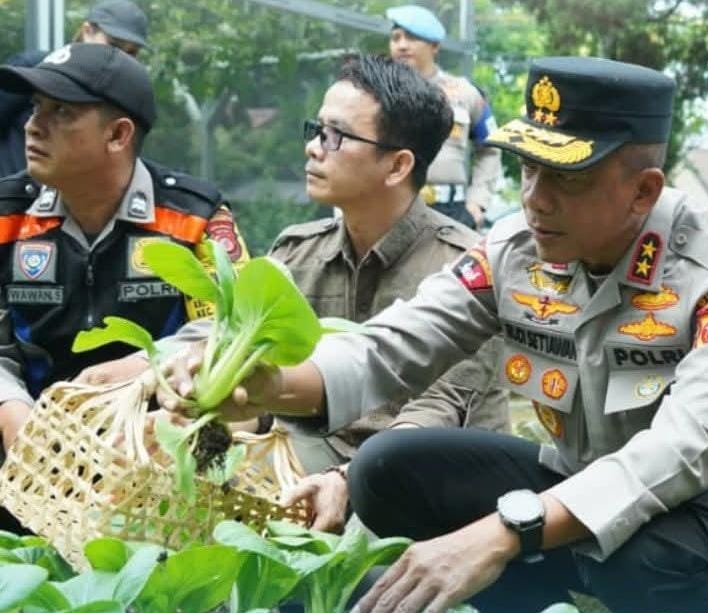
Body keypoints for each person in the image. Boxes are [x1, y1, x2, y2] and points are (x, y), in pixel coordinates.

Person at [165, 56, 708, 613]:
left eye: (568, 180)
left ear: (644, 191)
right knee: (387, 470)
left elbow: (686, 448)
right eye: (528, 169)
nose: (535, 199)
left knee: (639, 549)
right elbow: (389, 347)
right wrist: (266, 386)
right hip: (571, 480)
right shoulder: (514, 249)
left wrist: (498, 534)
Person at [0, 44, 249, 484]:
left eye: (61, 111)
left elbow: (233, 327)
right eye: (37, 107)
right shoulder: (7, 214)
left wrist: (148, 364)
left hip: (160, 445)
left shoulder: (195, 217)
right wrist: (14, 416)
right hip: (29, 443)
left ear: (118, 135)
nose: (33, 125)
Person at [267, 54, 509, 481]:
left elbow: (438, 410)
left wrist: (346, 481)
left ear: (398, 166)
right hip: (316, 465)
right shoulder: (297, 254)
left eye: (336, 135)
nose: (313, 147)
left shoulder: (470, 269)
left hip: (436, 482)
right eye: (317, 130)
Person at [0, 0, 149, 176]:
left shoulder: (123, 97)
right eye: (114, 44)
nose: (121, 56)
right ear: (87, 31)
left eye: (132, 52)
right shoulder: (36, 67)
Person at [386, 4, 500, 230]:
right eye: (396, 38)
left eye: (411, 38)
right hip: (391, 208)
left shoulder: (465, 93)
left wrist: (477, 203)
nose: (402, 45)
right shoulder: (377, 94)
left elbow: (491, 146)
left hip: (452, 212)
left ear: (435, 45)